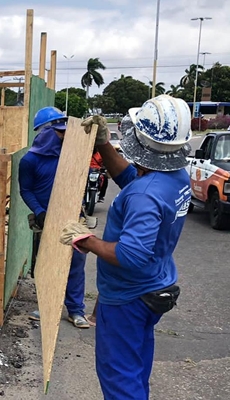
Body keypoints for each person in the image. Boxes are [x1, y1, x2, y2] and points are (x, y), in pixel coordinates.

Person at [60, 94, 190, 399]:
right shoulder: (173, 176)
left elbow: (130, 255)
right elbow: (132, 178)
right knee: (135, 368)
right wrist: (104, 144)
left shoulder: (145, 195)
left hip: (128, 297)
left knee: (119, 378)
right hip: (153, 286)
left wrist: (85, 240)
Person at [18, 106, 89, 329]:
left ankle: (76, 310)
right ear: (45, 133)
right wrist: (39, 211)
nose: (63, 135)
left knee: (76, 264)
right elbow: (26, 190)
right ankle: (47, 305)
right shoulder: (30, 161)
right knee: (49, 263)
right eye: (59, 132)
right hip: (46, 219)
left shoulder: (71, 157)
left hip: (72, 217)